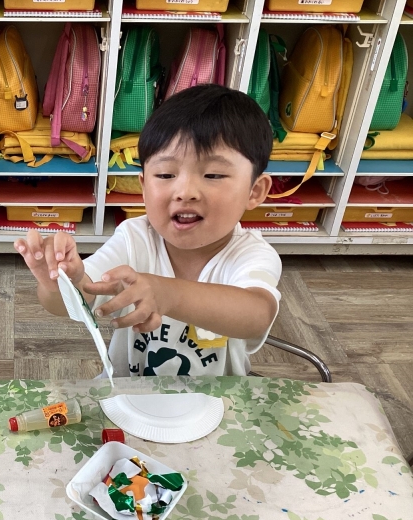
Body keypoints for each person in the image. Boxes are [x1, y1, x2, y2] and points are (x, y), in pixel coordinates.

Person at [15, 85, 282, 377]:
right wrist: (61, 281)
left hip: (218, 400)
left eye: (213, 175)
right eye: (165, 174)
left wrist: (167, 294)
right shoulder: (134, 238)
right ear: (143, 187)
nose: (185, 192)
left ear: (255, 191)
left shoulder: (251, 254)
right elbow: (77, 301)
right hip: (128, 394)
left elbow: (257, 315)